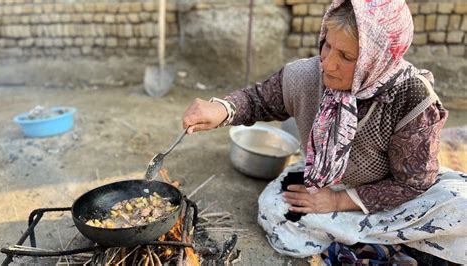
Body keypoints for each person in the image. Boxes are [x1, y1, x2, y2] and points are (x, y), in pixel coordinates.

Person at [181, 0, 467, 264]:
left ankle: (359, 243)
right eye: (327, 46)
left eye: (345, 55)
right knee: (274, 212)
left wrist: (338, 202)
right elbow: (258, 99)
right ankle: (388, 246)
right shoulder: (307, 76)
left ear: (376, 60)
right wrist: (222, 109)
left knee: (460, 207)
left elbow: (415, 184)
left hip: (391, 198)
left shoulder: (413, 99)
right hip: (325, 181)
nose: (328, 63)